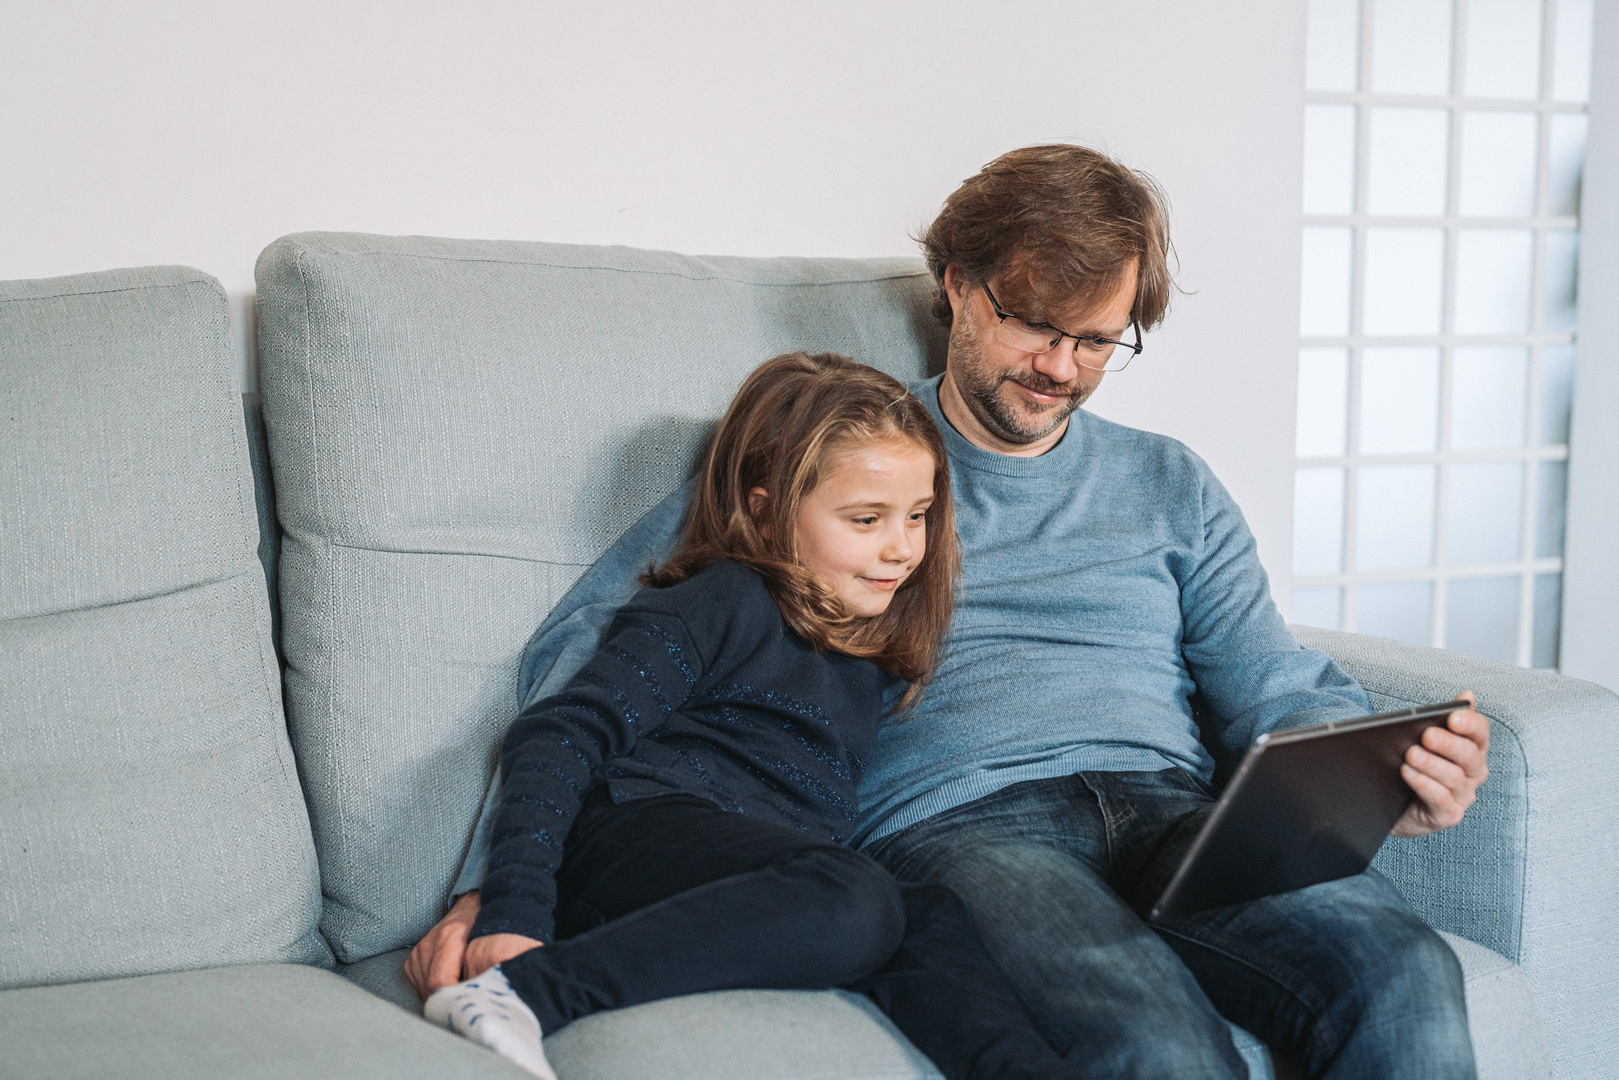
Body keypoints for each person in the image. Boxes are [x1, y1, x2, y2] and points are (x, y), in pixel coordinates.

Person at [411, 145, 1492, 1079]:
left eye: (1098, 341)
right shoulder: (845, 461)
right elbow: (592, 652)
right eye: (1035, 326)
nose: (1060, 368)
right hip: (964, 826)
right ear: (957, 285)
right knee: (1150, 1038)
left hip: (1176, 812)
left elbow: (1276, 689)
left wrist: (1385, 780)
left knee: (1405, 969)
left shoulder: (1172, 485)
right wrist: (509, 887)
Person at [421, 350, 1096, 1080]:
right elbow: (560, 732)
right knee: (852, 891)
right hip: (631, 831)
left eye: (919, 515)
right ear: (764, 508)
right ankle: (523, 994)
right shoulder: (723, 600)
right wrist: (512, 908)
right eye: (866, 518)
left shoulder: (863, 655)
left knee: (929, 913)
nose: (901, 548)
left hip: (743, 872)